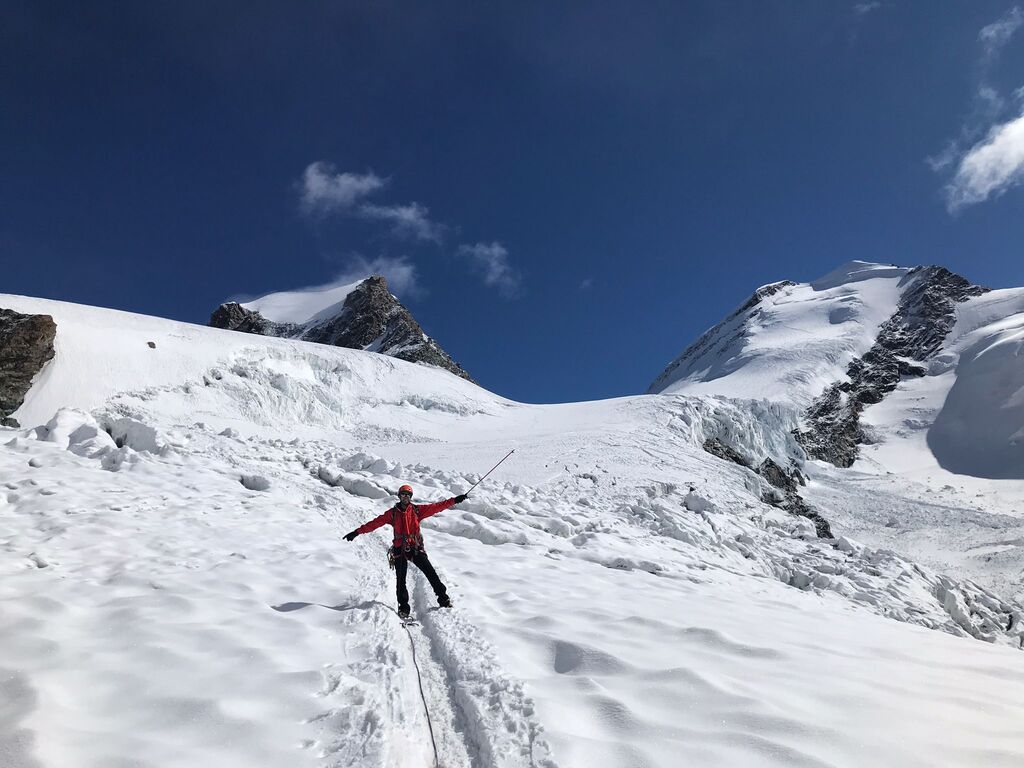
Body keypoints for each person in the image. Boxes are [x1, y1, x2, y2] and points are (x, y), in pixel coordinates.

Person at [344, 484, 468, 619]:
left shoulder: (417, 510)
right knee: (401, 580)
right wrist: (356, 532)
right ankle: (403, 608)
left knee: (430, 573)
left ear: (411, 497)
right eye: (403, 495)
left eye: (408, 495)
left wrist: (455, 500)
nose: (405, 497)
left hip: (415, 548)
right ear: (399, 496)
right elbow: (374, 523)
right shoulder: (391, 513)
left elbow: (437, 506)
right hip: (399, 549)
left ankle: (444, 599)